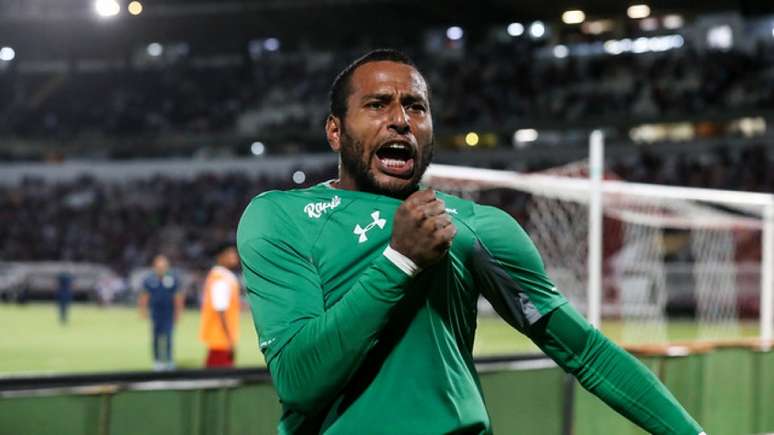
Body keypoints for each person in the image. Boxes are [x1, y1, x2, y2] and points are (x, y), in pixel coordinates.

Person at [237, 49, 705, 435]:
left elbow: (585, 351)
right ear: (335, 131)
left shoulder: (477, 226)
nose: (401, 120)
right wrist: (400, 260)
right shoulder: (281, 218)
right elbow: (299, 381)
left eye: (415, 107)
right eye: (377, 104)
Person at [199, 243, 241, 368]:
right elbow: (221, 309)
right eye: (230, 254)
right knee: (219, 377)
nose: (234, 257)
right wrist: (229, 339)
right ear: (220, 257)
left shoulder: (221, 276)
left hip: (218, 335)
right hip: (220, 336)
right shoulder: (221, 279)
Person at [139, 254, 182, 371]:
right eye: (159, 266)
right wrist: (143, 310)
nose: (161, 268)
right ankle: (157, 361)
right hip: (156, 313)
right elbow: (144, 296)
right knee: (155, 337)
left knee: (168, 337)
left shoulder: (173, 279)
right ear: (154, 267)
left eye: (163, 266)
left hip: (168, 313)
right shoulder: (149, 279)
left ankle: (169, 360)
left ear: (167, 267)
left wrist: (178, 313)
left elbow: (178, 297)